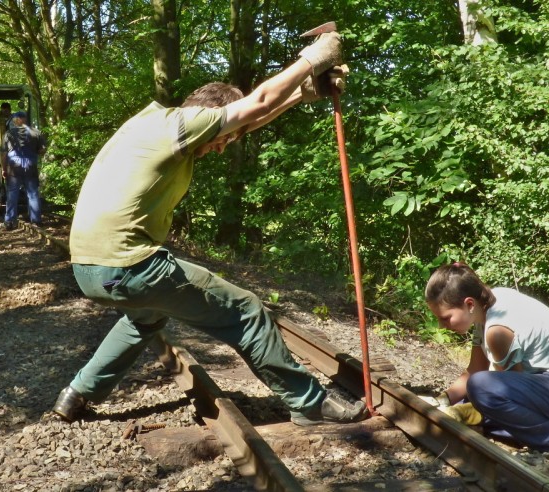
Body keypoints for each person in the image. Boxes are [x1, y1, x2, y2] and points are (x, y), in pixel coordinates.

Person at [53, 31, 367, 427]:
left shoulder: (154, 125)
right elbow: (260, 102)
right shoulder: (182, 127)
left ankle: (77, 393)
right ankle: (309, 403)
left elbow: (253, 117)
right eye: (223, 139)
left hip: (88, 269)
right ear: (210, 118)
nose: (221, 148)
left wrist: (305, 94)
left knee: (144, 319)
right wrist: (312, 59)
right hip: (128, 266)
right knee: (246, 309)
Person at [423, 262, 549, 453]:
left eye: (446, 317)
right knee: (475, 395)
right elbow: (475, 369)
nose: (441, 325)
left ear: (469, 304)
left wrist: (466, 410)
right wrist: (443, 400)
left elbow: (501, 390)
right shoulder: (487, 306)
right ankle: (545, 427)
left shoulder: (497, 330)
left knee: (481, 391)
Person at [0, 111, 47, 230]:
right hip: (30, 167)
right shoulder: (36, 133)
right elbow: (42, 150)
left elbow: (4, 154)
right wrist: (34, 151)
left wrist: (4, 169)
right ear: (25, 119)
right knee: (33, 194)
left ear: (16, 121)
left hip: (13, 169)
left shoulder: (9, 133)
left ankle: (10, 222)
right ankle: (36, 221)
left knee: (12, 195)